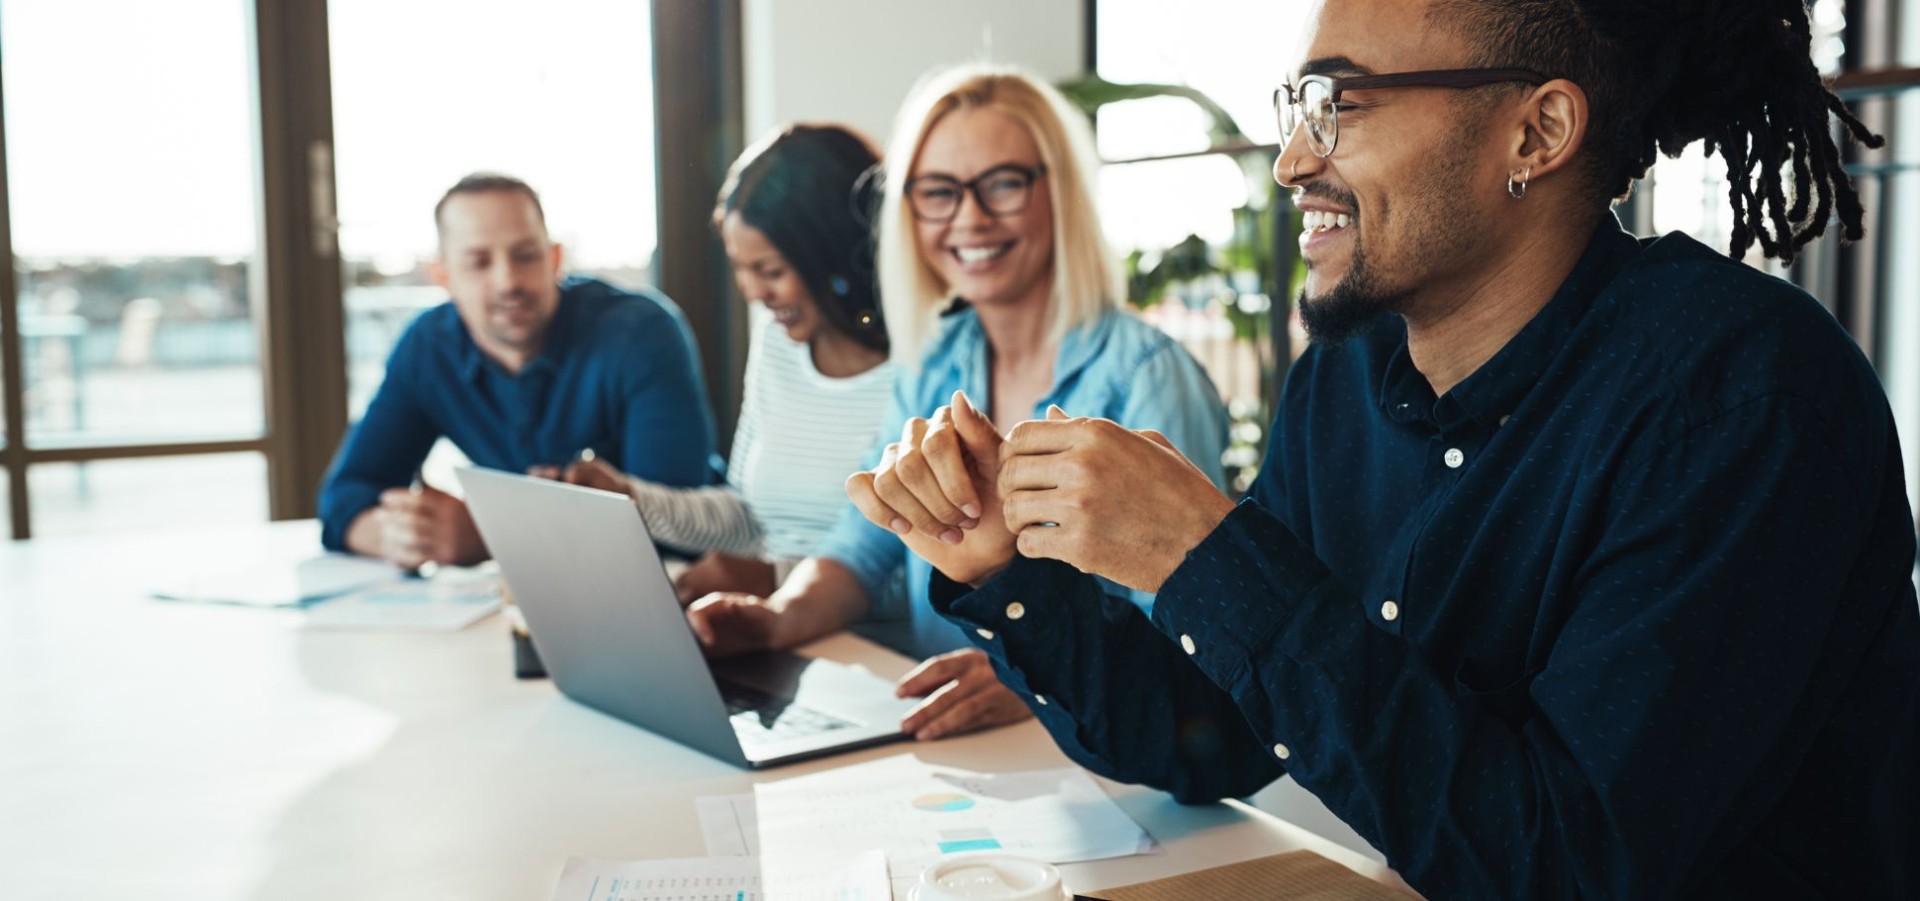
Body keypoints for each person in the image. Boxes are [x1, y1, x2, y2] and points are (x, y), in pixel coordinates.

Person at [853, 1, 1919, 898]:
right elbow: (1208, 736)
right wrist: (1001, 565)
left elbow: (1571, 863)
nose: (1290, 160)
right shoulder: (1347, 380)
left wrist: (1207, 553)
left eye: (1340, 103)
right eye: (1297, 106)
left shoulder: (1741, 396)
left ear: (1536, 132)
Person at [685, 65, 1232, 743]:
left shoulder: (1148, 376)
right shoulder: (935, 360)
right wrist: (777, 617)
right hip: (946, 740)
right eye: (939, 191)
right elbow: (863, 546)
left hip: (1099, 753)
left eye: (1002, 184)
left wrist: (1030, 674)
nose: (969, 219)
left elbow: (1192, 629)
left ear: (1059, 192)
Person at [547, 125, 897, 602]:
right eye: (740, 267)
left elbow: (932, 580)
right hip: (773, 628)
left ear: (836, 252)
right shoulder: (780, 345)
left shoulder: (926, 369)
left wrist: (777, 580)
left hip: (866, 648)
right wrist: (629, 499)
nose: (753, 292)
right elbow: (747, 518)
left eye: (770, 271)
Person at [318, 173, 718, 568]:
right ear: (444, 277)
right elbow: (342, 501)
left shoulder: (641, 334)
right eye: (478, 262)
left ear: (555, 259)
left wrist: (495, 535)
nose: (508, 281)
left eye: (526, 256)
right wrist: (401, 535)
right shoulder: (428, 347)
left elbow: (677, 528)